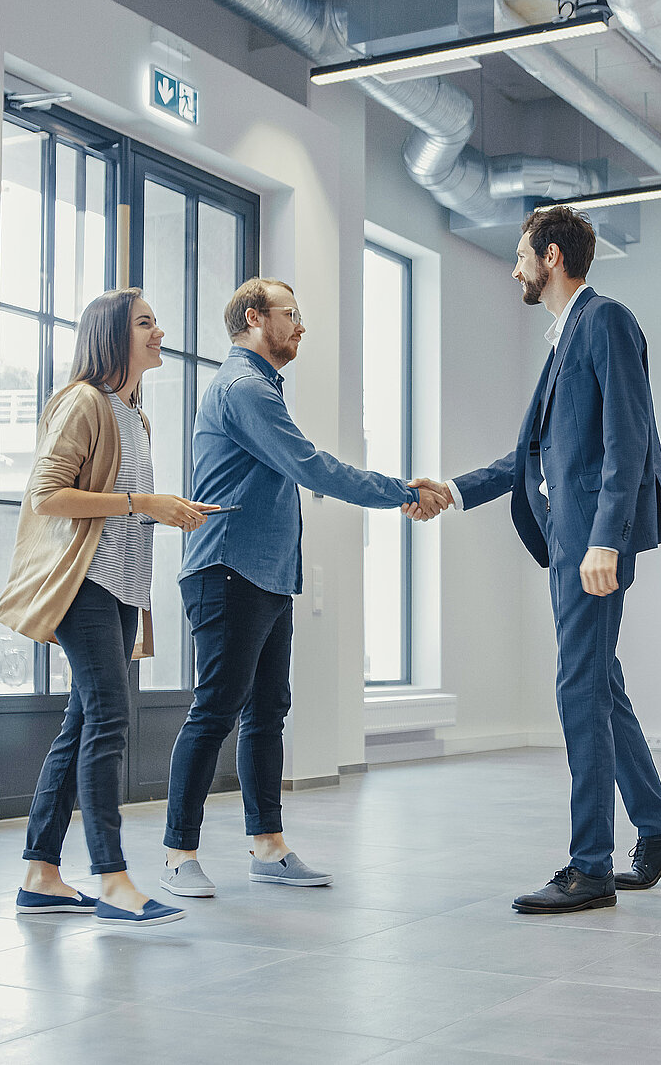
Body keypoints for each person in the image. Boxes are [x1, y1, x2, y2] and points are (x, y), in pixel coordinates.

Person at [406, 207, 661, 913]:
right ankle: (659, 830)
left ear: (552, 256)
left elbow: (628, 437)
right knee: (599, 685)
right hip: (572, 540)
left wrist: (606, 538)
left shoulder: (606, 321)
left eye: (520, 257)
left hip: (591, 543)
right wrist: (453, 491)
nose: (515, 270)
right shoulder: (566, 338)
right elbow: (535, 456)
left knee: (578, 689)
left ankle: (590, 867)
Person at [159, 277, 448, 898]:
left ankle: (268, 847)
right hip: (227, 569)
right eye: (290, 313)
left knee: (268, 712)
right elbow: (311, 467)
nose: (301, 325)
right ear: (253, 317)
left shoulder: (261, 387)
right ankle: (178, 855)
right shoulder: (243, 388)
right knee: (216, 710)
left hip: (264, 575)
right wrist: (401, 492)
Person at [0, 287, 219, 926]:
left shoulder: (135, 415)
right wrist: (143, 504)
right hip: (84, 587)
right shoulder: (83, 402)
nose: (159, 332)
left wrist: (166, 510)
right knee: (111, 718)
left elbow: (120, 504)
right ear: (112, 335)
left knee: (83, 721)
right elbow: (46, 495)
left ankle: (40, 874)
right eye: (145, 323)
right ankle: (113, 879)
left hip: (121, 588)